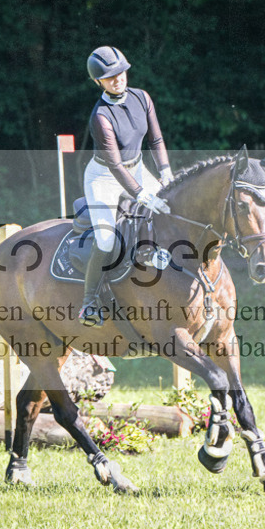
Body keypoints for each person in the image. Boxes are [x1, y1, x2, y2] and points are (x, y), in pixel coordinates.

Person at [79, 45, 173, 328]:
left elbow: (156, 140)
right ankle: (89, 302)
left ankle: (160, 260)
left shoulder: (142, 97)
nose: (118, 79)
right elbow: (116, 165)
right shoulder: (100, 116)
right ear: (98, 82)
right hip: (104, 177)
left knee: (170, 208)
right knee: (106, 240)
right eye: (110, 77)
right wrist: (141, 194)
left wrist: (166, 172)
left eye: (121, 72)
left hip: (137, 168)